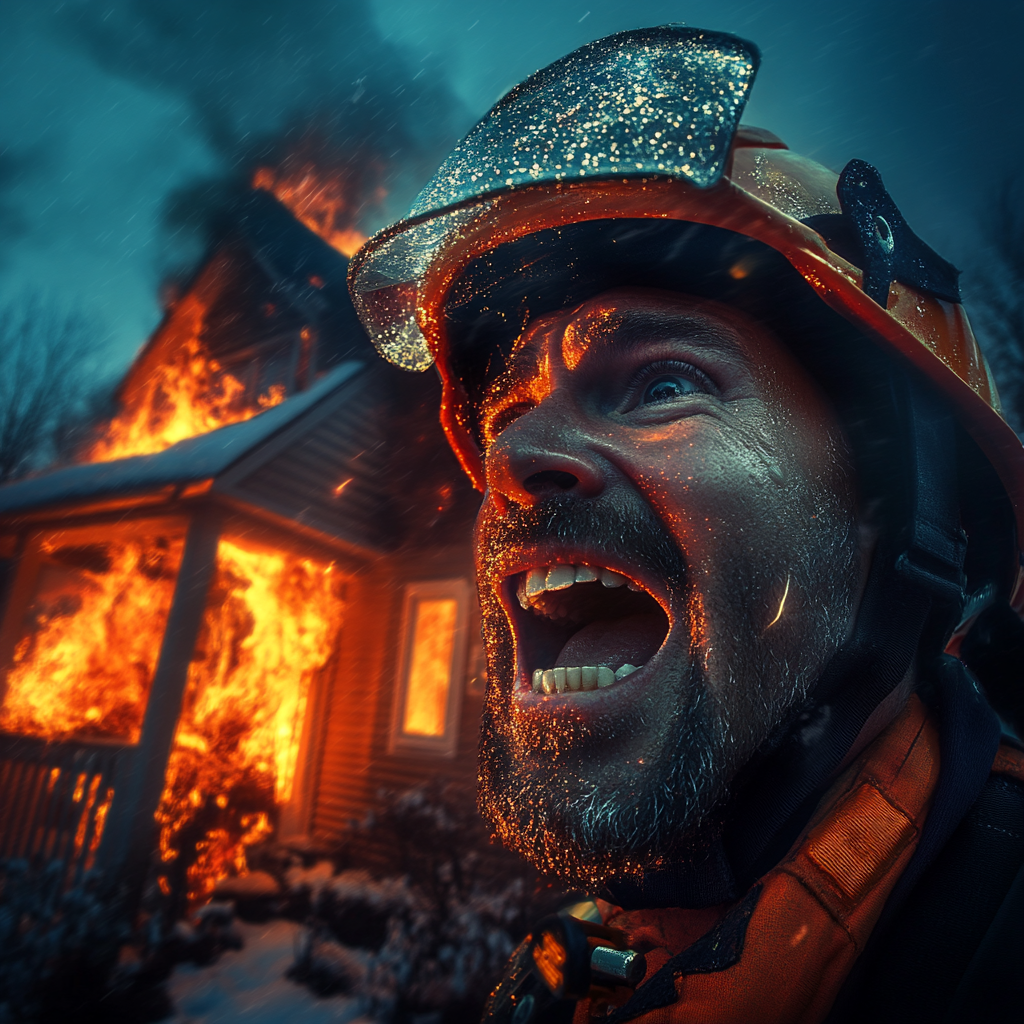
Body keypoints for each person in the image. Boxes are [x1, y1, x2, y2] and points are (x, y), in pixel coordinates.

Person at [348, 26, 1024, 1023]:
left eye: (663, 381)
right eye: (508, 413)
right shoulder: (583, 966)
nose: (511, 459)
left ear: (900, 507)